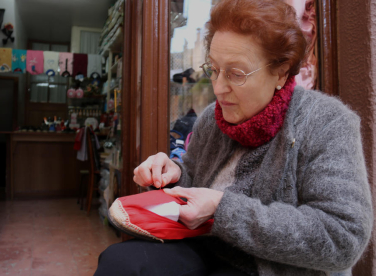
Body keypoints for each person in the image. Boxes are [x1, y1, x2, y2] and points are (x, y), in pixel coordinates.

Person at [94, 0, 373, 275]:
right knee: (120, 263)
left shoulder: (325, 122)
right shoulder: (212, 119)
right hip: (205, 248)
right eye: (213, 69)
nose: (218, 88)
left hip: (272, 266)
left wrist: (222, 208)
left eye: (236, 74)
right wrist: (173, 175)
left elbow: (343, 237)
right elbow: (194, 179)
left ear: (281, 72)